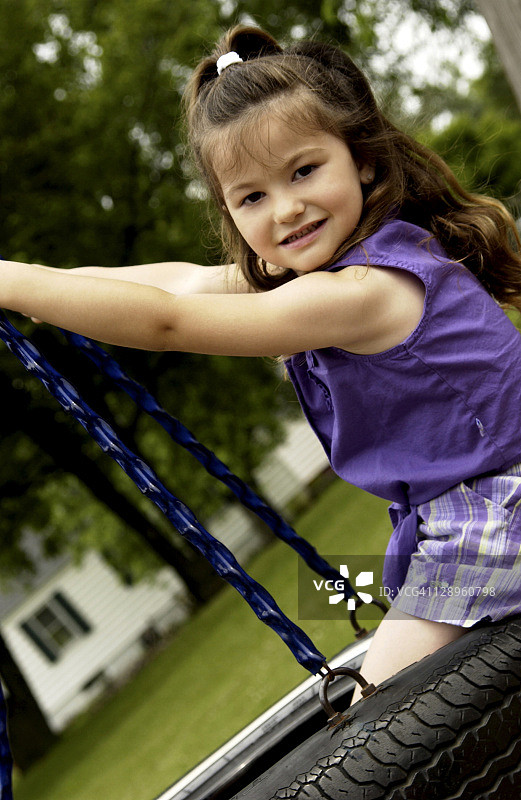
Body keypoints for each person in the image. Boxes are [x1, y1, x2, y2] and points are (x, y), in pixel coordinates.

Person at [2, 25, 521, 700]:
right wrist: (41, 285)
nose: (287, 209)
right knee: (327, 594)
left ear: (360, 158)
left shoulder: (361, 292)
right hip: (449, 520)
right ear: (229, 210)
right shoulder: (330, 271)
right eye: (251, 197)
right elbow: (179, 284)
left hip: (495, 513)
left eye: (304, 171)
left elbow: (168, 321)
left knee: (374, 712)